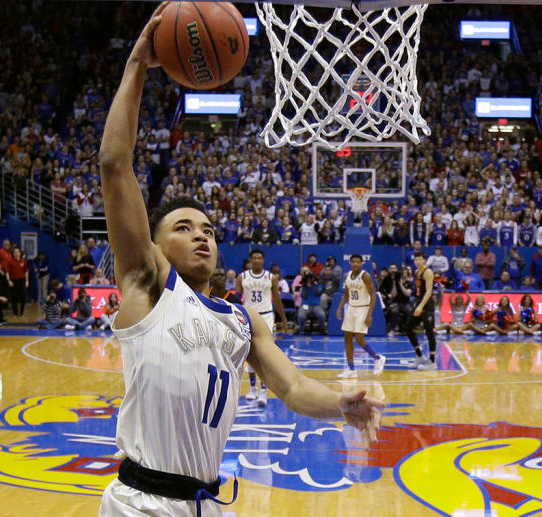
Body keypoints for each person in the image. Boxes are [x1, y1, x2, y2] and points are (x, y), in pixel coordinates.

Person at [98, 11, 383, 516]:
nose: (201, 236)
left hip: (206, 503)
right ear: (156, 247)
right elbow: (115, 165)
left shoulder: (240, 321)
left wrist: (340, 405)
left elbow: (293, 387)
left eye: (207, 229)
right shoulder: (148, 286)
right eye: (183, 228)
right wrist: (138, 66)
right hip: (142, 503)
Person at [237, 249, 289, 406]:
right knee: (250, 352)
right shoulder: (242, 277)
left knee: (264, 353)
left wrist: (284, 319)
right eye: (254, 258)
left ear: (263, 260)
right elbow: (236, 299)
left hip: (266, 316)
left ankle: (264, 390)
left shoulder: (270, 277)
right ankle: (252, 388)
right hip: (248, 315)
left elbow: (277, 299)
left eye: (260, 258)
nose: (257, 260)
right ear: (251, 260)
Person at [335, 254, 386, 378]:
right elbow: (347, 295)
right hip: (351, 308)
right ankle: (351, 369)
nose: (355, 264)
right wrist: (340, 307)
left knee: (359, 338)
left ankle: (378, 358)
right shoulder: (346, 276)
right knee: (347, 338)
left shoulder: (365, 276)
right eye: (353, 262)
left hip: (363, 308)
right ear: (350, 263)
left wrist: (369, 314)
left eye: (358, 262)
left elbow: (373, 295)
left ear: (362, 263)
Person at [406, 251, 438, 370]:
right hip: (419, 302)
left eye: (420, 259)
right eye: (416, 260)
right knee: (408, 327)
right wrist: (417, 303)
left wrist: (421, 306)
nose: (417, 262)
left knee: (429, 331)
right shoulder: (416, 272)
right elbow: (419, 290)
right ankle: (419, 355)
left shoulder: (428, 272)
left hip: (427, 305)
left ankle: (432, 362)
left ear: (424, 260)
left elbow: (429, 291)